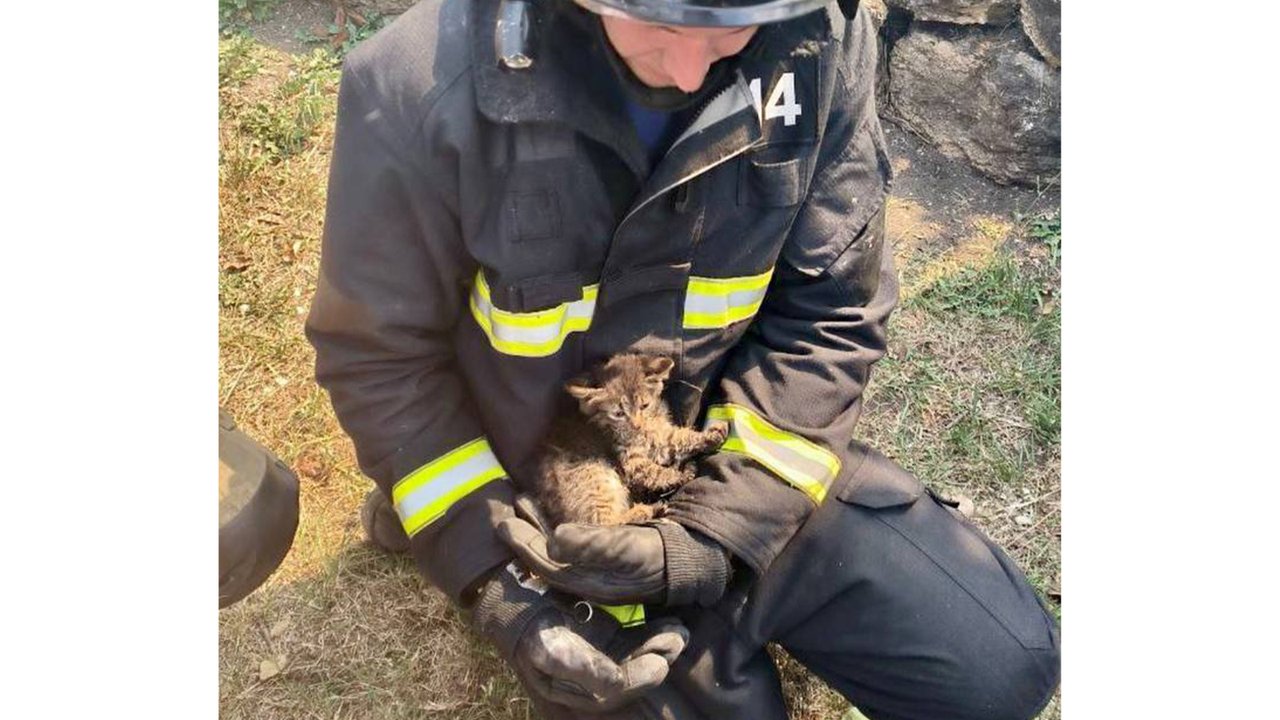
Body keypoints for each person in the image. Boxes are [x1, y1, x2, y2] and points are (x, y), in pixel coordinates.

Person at [305, 0, 1062, 717]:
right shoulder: (412, 87)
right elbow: (381, 360)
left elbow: (830, 316)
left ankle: (724, 593)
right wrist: (496, 578)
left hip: (725, 448)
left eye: (733, 27)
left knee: (1002, 668)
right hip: (553, 507)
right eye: (659, 20)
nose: (693, 72)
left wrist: (716, 538)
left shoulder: (818, 41)